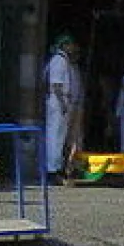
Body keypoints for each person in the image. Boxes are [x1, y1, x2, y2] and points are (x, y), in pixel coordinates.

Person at [43, 34, 82, 178]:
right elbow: (56, 85)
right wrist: (63, 104)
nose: (72, 47)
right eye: (70, 44)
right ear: (64, 45)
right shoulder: (59, 61)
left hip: (63, 100)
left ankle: (57, 165)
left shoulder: (64, 61)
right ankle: (52, 168)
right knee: (55, 135)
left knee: (60, 135)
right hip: (59, 100)